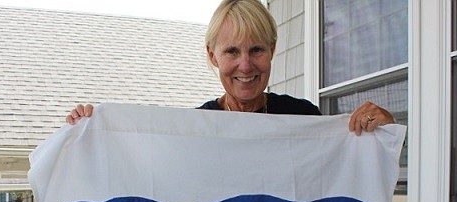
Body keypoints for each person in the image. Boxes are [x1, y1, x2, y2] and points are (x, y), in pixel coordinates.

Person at [66, 0, 394, 135]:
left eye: (256, 50)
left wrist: (381, 130)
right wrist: (94, 132)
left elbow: (348, 171)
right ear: (213, 56)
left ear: (273, 50)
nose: (246, 65)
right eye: (232, 51)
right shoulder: (195, 127)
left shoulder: (303, 118)